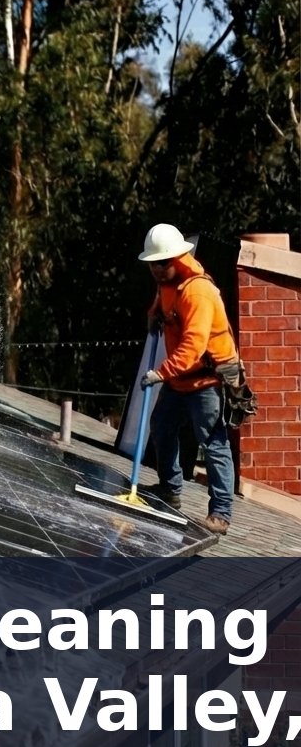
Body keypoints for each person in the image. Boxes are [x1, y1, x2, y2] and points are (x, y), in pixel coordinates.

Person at [137, 223, 238, 535]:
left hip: (205, 380)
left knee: (213, 442)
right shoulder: (167, 281)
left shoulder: (198, 292)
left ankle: (220, 513)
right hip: (181, 379)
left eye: (160, 263)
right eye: (152, 263)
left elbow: (193, 347)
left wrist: (160, 373)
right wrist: (153, 314)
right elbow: (162, 303)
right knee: (163, 426)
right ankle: (170, 489)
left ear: (175, 259)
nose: (154, 269)